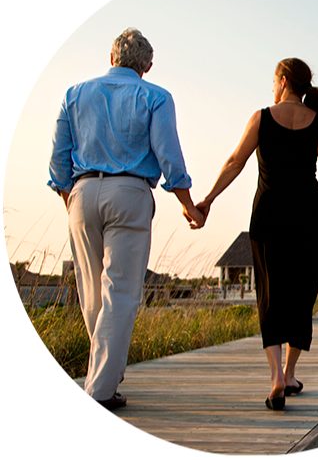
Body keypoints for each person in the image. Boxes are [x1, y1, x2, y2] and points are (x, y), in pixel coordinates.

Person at [48, 28, 204, 410]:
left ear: (111, 56)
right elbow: (169, 156)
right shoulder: (155, 96)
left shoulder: (74, 94)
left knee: (91, 291)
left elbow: (58, 159)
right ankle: (99, 390)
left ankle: (107, 376)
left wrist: (71, 198)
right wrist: (188, 204)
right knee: (120, 293)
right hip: (130, 193)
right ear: (147, 65)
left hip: (82, 192)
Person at [197, 58, 318, 410]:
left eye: (273, 80)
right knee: (301, 293)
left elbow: (235, 161)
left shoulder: (261, 117)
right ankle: (291, 371)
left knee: (269, 292)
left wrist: (208, 199)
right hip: (308, 215)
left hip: (268, 213)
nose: (271, 87)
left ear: (283, 80)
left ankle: (276, 378)